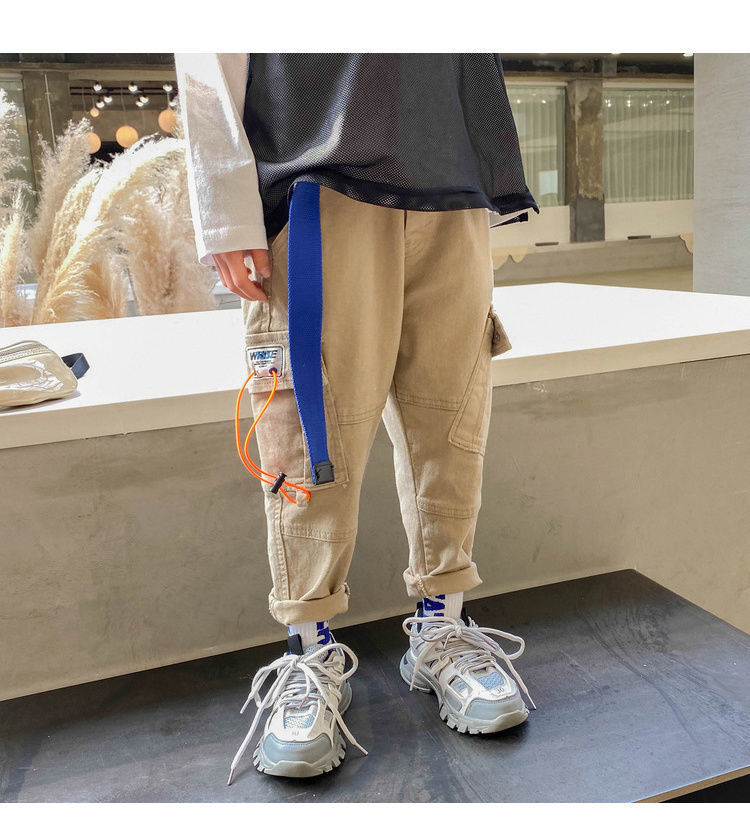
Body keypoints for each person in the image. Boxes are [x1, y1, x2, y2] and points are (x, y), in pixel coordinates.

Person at [174, 53, 539, 785]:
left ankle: (442, 625)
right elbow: (208, 48)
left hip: (451, 179)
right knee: (313, 431)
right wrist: (226, 210)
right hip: (319, 175)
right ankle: (307, 650)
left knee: (452, 418)